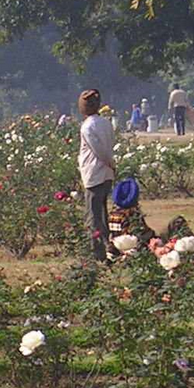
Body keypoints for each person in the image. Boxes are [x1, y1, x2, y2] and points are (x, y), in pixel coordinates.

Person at [77, 88, 116, 262]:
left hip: (94, 174)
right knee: (102, 214)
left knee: (93, 216)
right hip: (106, 174)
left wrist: (108, 162)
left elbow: (99, 150)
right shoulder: (105, 123)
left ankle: (97, 253)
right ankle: (109, 247)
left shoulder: (88, 126)